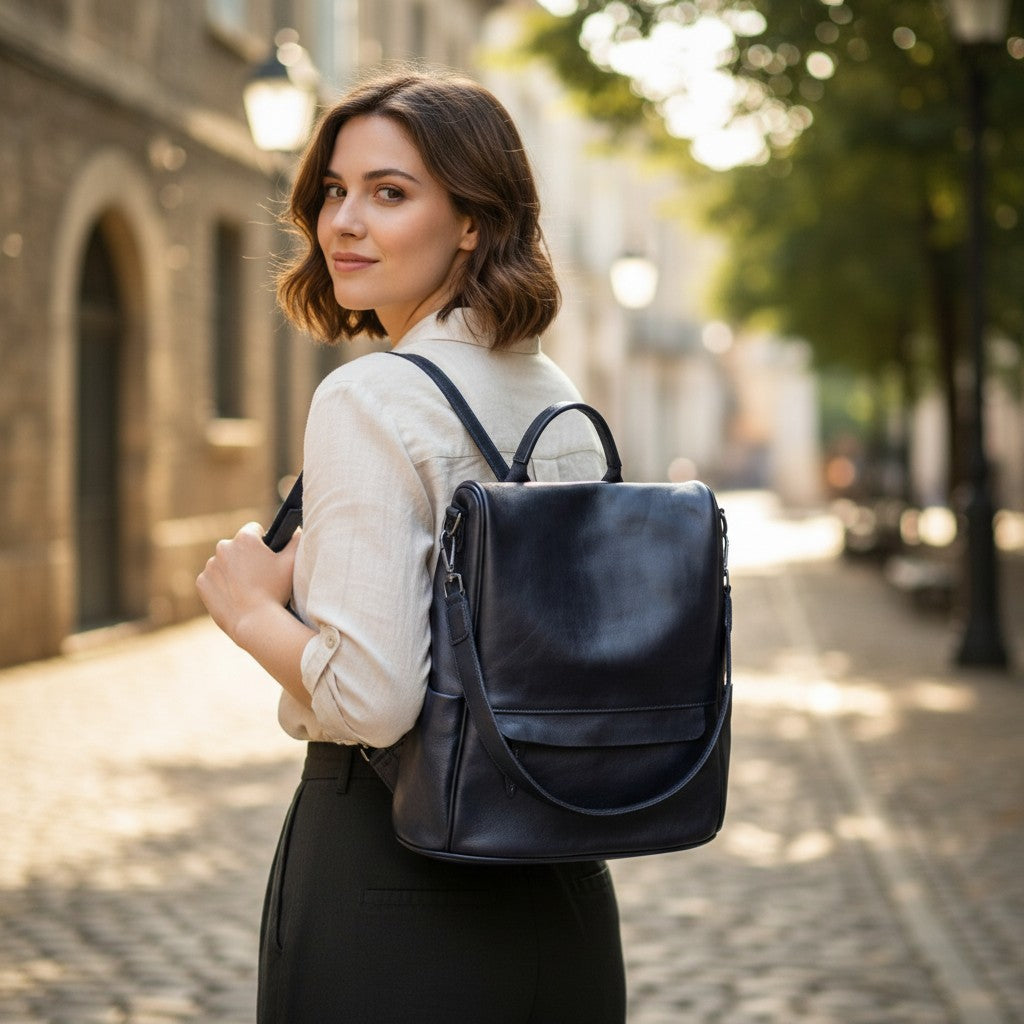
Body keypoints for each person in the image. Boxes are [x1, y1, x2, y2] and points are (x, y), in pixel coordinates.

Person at [196, 69, 627, 1023]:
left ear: (472, 220)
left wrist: (248, 609)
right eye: (334, 192)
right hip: (562, 884)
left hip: (393, 877)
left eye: (390, 193)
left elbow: (373, 697)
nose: (344, 221)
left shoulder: (371, 397)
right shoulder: (555, 394)